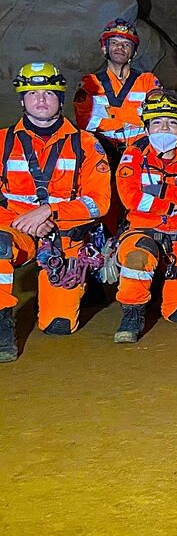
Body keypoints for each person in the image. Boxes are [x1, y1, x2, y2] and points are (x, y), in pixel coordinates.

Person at [0, 63, 111, 361]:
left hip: (63, 239)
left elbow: (98, 203)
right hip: (14, 230)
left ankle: (61, 297)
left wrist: (49, 212)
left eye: (48, 92)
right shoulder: (2, 142)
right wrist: (23, 222)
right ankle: (2, 327)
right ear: (21, 100)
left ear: (60, 99)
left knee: (59, 326)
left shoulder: (86, 144)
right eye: (32, 93)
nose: (40, 99)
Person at [112, 90, 177, 343]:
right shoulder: (133, 157)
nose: (164, 128)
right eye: (157, 122)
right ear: (146, 127)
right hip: (144, 234)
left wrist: (163, 192)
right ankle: (132, 315)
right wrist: (176, 203)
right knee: (138, 256)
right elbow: (131, 199)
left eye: (171, 122)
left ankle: (168, 293)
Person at [74, 19, 162, 150]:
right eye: (114, 43)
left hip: (141, 149)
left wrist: (110, 112)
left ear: (134, 52)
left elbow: (157, 116)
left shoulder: (148, 81)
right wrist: (136, 117)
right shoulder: (90, 83)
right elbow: (86, 122)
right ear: (104, 48)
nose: (120, 47)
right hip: (102, 150)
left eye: (126, 44)